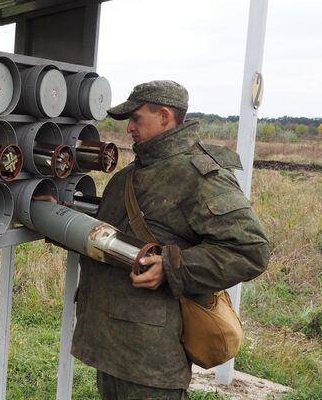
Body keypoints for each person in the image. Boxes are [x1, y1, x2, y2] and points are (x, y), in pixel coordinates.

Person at [70, 80, 270, 400]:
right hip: (111, 345)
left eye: (136, 119)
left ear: (165, 117)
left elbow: (250, 249)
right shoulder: (130, 175)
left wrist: (171, 265)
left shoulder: (199, 175)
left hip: (151, 359)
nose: (129, 129)